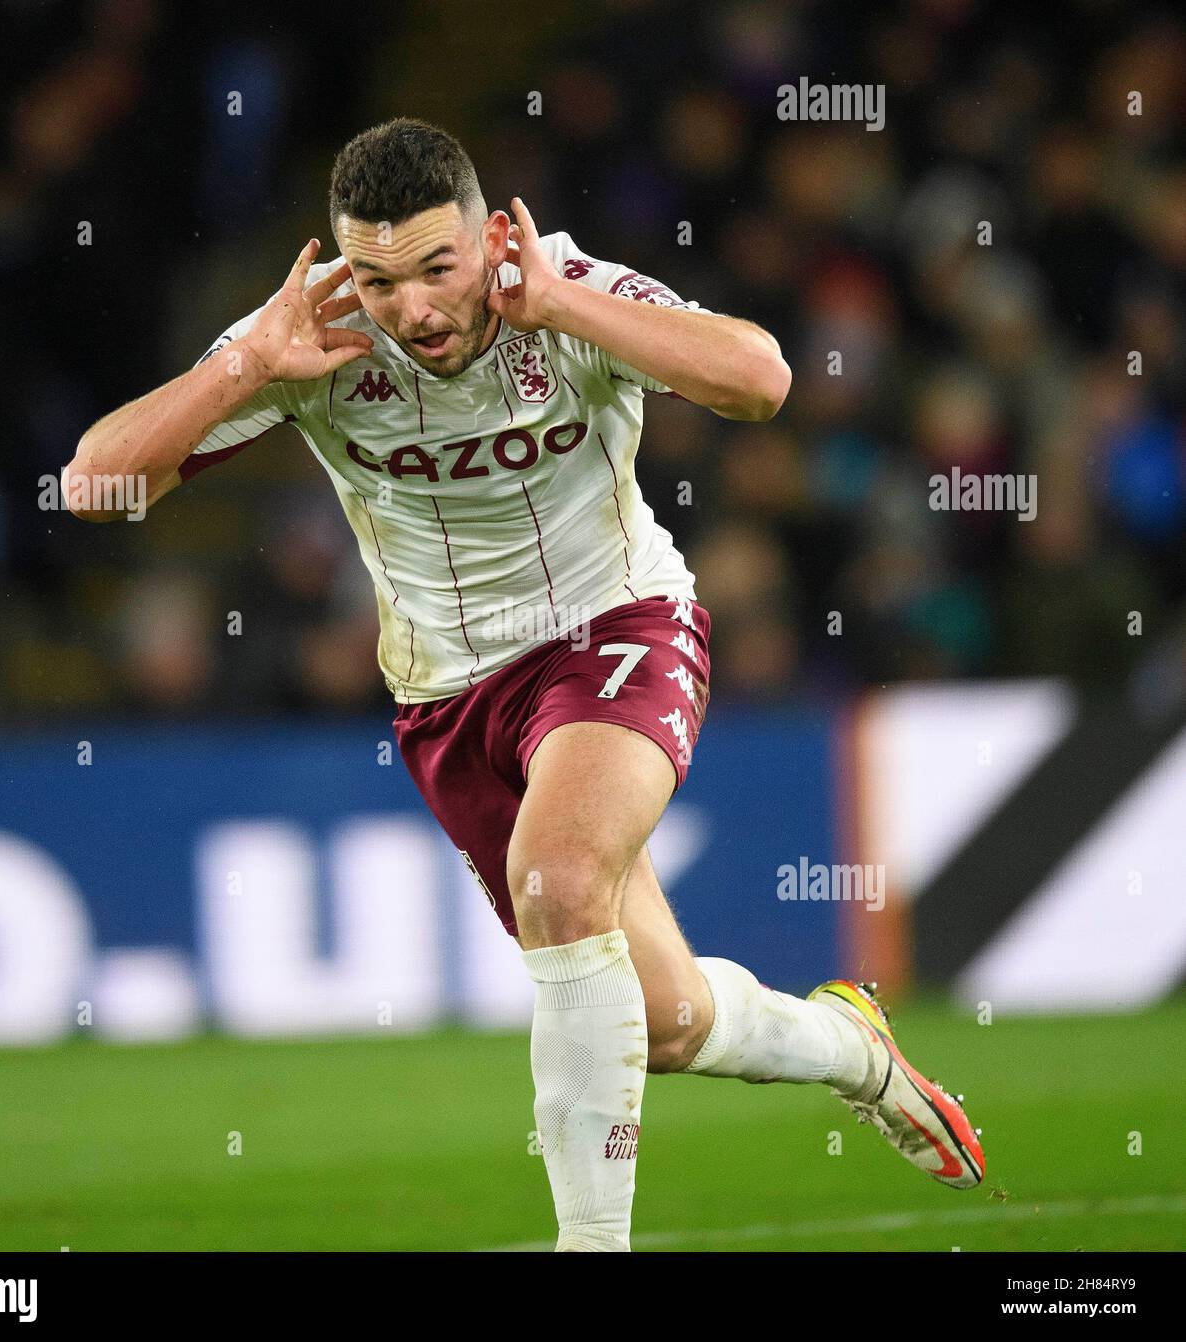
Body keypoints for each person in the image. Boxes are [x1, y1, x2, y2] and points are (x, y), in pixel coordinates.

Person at [65, 117, 984, 1250]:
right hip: (447, 700)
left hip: (614, 626)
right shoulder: (316, 337)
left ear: (490, 235)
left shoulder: (561, 288)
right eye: (379, 277)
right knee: (664, 1020)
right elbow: (93, 489)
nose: (413, 308)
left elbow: (761, 379)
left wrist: (563, 306)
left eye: (437, 267)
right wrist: (244, 367)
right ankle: (852, 1049)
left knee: (556, 879)